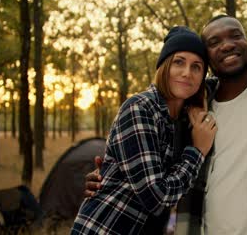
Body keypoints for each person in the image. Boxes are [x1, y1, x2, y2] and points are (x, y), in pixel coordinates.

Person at [85, 15, 247, 235]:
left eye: (235, 36)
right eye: (214, 42)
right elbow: (156, 178)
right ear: (209, 60)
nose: (227, 44)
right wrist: (109, 177)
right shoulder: (189, 110)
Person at [71, 26, 218, 235]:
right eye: (179, 62)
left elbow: (228, 81)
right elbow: (156, 198)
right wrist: (198, 151)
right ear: (164, 66)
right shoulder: (140, 108)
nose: (187, 73)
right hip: (106, 228)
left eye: (197, 67)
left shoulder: (184, 119)